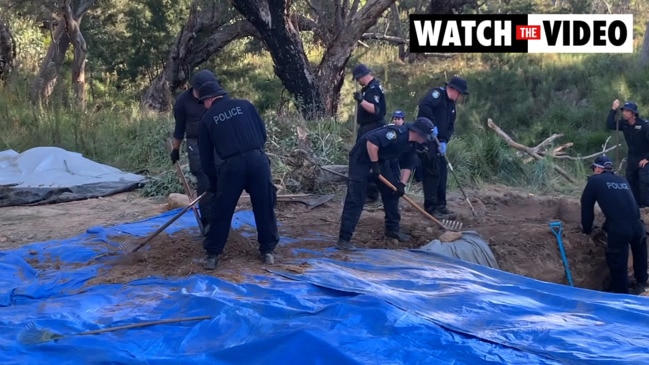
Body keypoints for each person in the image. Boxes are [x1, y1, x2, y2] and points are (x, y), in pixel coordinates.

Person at [197, 81, 279, 270]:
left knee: (222, 210)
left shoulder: (208, 119)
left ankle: (212, 255)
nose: (204, 106)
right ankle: (268, 251)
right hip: (258, 161)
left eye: (203, 102)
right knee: (264, 205)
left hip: (232, 166)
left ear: (209, 99)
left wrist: (213, 182)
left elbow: (206, 157)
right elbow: (262, 134)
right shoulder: (246, 105)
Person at [337, 117, 438, 250]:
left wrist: (401, 184)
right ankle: (344, 239)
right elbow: (371, 142)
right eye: (426, 137)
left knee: (392, 192)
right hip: (362, 158)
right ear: (419, 133)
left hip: (380, 160)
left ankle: (392, 230)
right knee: (356, 198)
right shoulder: (396, 134)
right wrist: (374, 164)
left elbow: (408, 164)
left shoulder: (412, 144)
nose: (426, 140)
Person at [581, 155, 648, 295]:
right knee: (640, 254)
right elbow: (624, 206)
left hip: (619, 228)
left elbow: (586, 206)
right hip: (638, 225)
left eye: (594, 168)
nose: (594, 171)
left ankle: (620, 292)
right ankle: (642, 284)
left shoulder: (595, 181)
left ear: (599, 168)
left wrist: (587, 229)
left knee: (617, 261)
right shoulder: (622, 180)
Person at [170, 69, 221, 236]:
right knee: (204, 178)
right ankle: (207, 221)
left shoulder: (217, 95)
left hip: (216, 139)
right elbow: (179, 129)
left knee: (222, 176)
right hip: (195, 142)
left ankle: (221, 217)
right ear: (194, 88)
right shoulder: (183, 101)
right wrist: (175, 150)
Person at [416, 76, 469, 219]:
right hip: (428, 140)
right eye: (460, 93)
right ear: (453, 89)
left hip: (439, 143)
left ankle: (441, 205)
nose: (460, 97)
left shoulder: (451, 105)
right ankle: (431, 208)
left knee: (442, 173)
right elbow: (424, 107)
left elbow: (450, 125)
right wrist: (431, 126)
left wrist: (444, 140)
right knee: (432, 174)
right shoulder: (437, 95)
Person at [352, 64, 387, 203]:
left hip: (372, 127)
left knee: (365, 158)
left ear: (363, 76)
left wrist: (361, 100)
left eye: (358, 78)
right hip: (367, 127)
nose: (357, 81)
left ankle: (371, 192)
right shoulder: (368, 89)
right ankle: (368, 191)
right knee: (364, 158)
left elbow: (375, 110)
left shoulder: (373, 89)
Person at [606, 100, 649, 207]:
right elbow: (610, 124)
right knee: (631, 181)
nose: (624, 113)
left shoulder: (644, 125)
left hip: (644, 157)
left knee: (644, 182)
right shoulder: (624, 124)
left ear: (633, 113)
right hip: (632, 157)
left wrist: (647, 158)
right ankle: (636, 206)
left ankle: (646, 206)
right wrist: (613, 109)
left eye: (627, 111)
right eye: (624, 110)